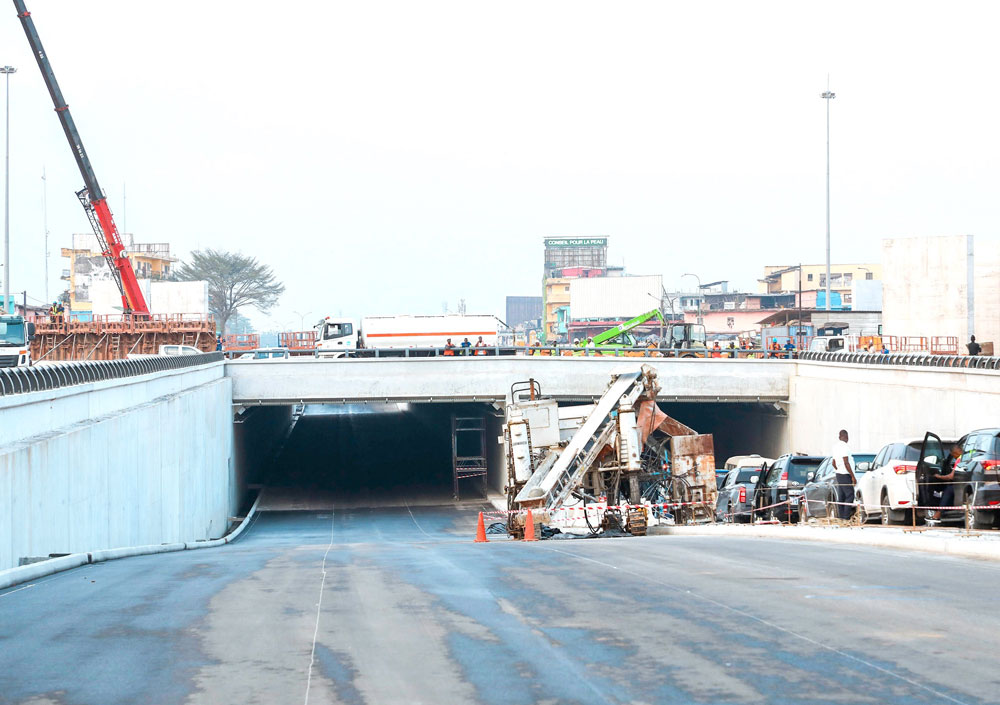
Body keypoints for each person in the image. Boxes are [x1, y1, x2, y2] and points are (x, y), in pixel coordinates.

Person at [929, 445, 962, 521]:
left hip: (960, 484)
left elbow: (951, 476)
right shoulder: (965, 457)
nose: (953, 457)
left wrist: (938, 476)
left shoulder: (959, 460)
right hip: (964, 481)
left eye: (953, 455)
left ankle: (938, 513)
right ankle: (944, 512)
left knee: (948, 490)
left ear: (955, 452)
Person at [830, 429, 856, 520]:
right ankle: (845, 517)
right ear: (846, 437)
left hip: (839, 474)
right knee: (850, 495)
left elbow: (833, 463)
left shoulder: (835, 447)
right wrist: (852, 476)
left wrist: (839, 470)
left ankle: (841, 517)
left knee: (841, 496)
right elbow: (846, 462)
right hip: (845, 474)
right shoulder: (845, 447)